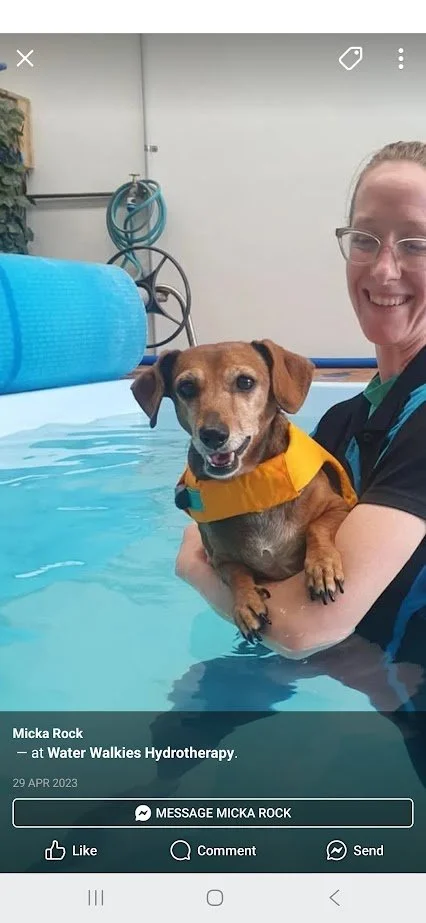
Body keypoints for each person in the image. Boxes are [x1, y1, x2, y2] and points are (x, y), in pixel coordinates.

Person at [175, 140, 426, 675]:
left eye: (416, 244)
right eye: (365, 239)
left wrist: (193, 565)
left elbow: (304, 629)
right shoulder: (339, 424)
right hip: (344, 680)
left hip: (402, 706)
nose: (384, 270)